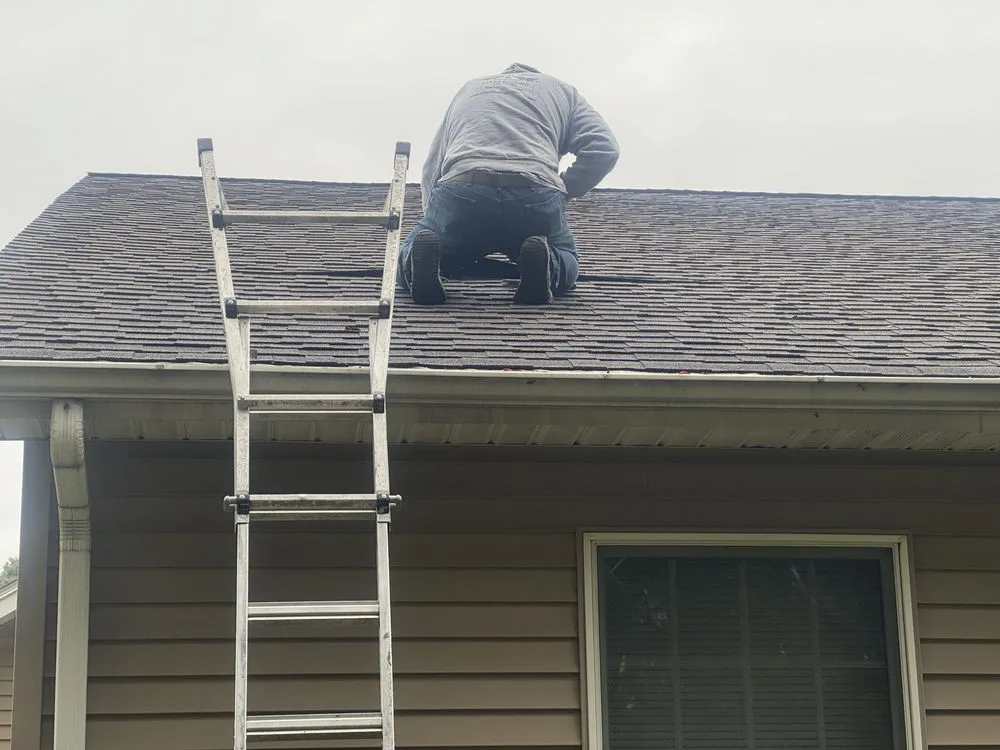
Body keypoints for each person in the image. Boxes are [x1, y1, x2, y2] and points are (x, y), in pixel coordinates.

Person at [397, 63, 620, 305]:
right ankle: (547, 267)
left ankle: (420, 265)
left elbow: (434, 162)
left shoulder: (470, 89)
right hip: (534, 195)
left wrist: (436, 220)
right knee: (566, 257)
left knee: (413, 254)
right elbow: (604, 149)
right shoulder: (563, 92)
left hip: (464, 190)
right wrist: (566, 191)